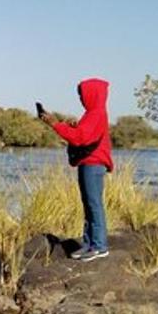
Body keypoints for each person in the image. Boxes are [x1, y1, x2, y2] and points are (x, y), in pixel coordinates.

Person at [41, 78, 114, 261]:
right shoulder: (92, 114)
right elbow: (83, 134)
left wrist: (55, 124)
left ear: (92, 94)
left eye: (82, 94)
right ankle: (89, 243)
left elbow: (80, 138)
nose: (81, 98)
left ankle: (99, 246)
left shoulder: (96, 113)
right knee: (89, 204)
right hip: (89, 164)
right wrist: (71, 127)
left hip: (93, 164)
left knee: (93, 204)